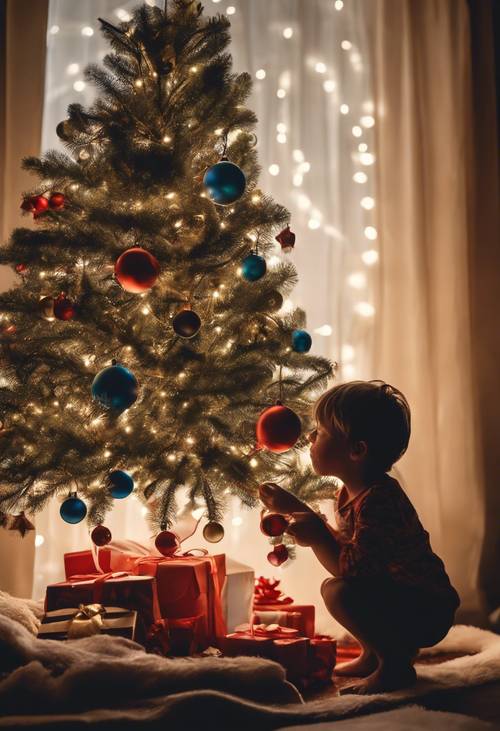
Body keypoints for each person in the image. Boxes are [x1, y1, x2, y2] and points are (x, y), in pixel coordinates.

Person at [259, 380, 460, 694]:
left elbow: (351, 569)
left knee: (339, 592)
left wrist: (314, 534)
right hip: (400, 594)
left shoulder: (379, 501)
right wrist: (296, 509)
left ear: (357, 450)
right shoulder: (352, 493)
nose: (310, 437)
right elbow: (351, 551)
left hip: (425, 608)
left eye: (320, 432)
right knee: (337, 589)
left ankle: (395, 665)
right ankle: (374, 654)